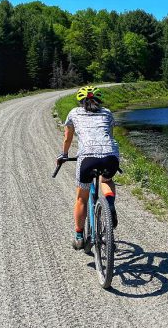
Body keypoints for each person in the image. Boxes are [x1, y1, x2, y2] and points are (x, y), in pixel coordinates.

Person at [58, 85, 119, 249]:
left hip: (87, 159)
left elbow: (67, 139)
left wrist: (64, 155)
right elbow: (110, 136)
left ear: (80, 101)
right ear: (99, 100)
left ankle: (79, 236)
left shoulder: (73, 113)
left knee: (81, 199)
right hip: (110, 156)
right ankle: (110, 205)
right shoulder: (107, 112)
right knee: (106, 179)